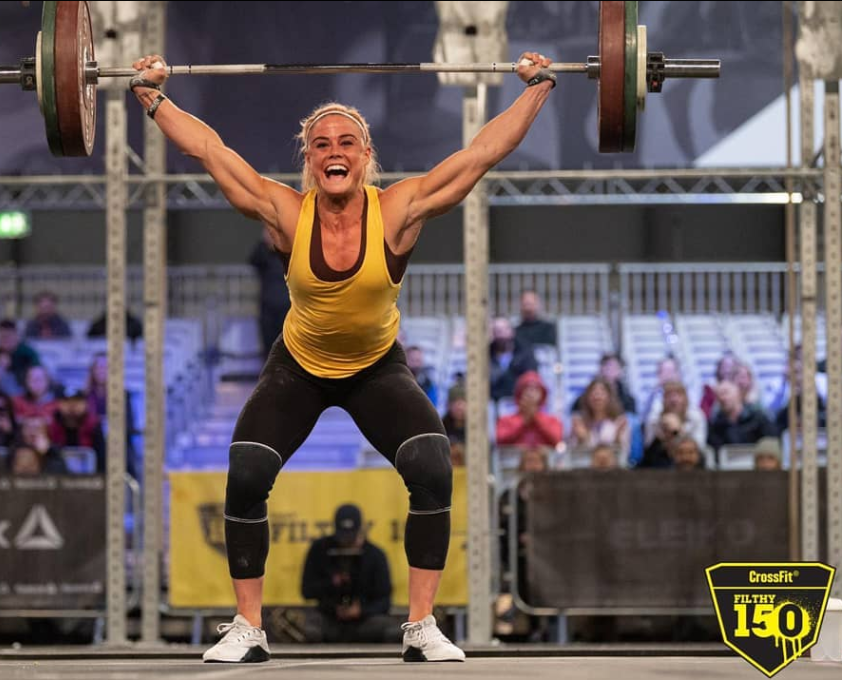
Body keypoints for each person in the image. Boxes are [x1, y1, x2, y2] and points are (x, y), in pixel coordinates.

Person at [129, 47, 556, 663]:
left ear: (365, 156)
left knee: (434, 466)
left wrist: (538, 88)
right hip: (298, 367)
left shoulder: (398, 210)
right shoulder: (285, 211)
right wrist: (153, 96)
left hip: (376, 368)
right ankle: (248, 627)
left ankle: (421, 626)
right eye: (322, 143)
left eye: (347, 142)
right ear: (309, 158)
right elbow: (211, 151)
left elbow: (480, 154)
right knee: (246, 473)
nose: (334, 151)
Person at [301, 504, 396, 643]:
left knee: (390, 629)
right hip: (329, 619)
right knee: (309, 628)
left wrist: (361, 611)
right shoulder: (319, 550)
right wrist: (332, 584)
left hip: (365, 622)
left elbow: (384, 601)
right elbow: (307, 591)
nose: (346, 541)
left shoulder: (375, 555)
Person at [250, 228, 292, 358]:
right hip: (268, 311)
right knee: (269, 351)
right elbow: (253, 260)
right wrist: (265, 243)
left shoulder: (290, 254)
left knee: (289, 351)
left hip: (289, 310)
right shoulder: (264, 255)